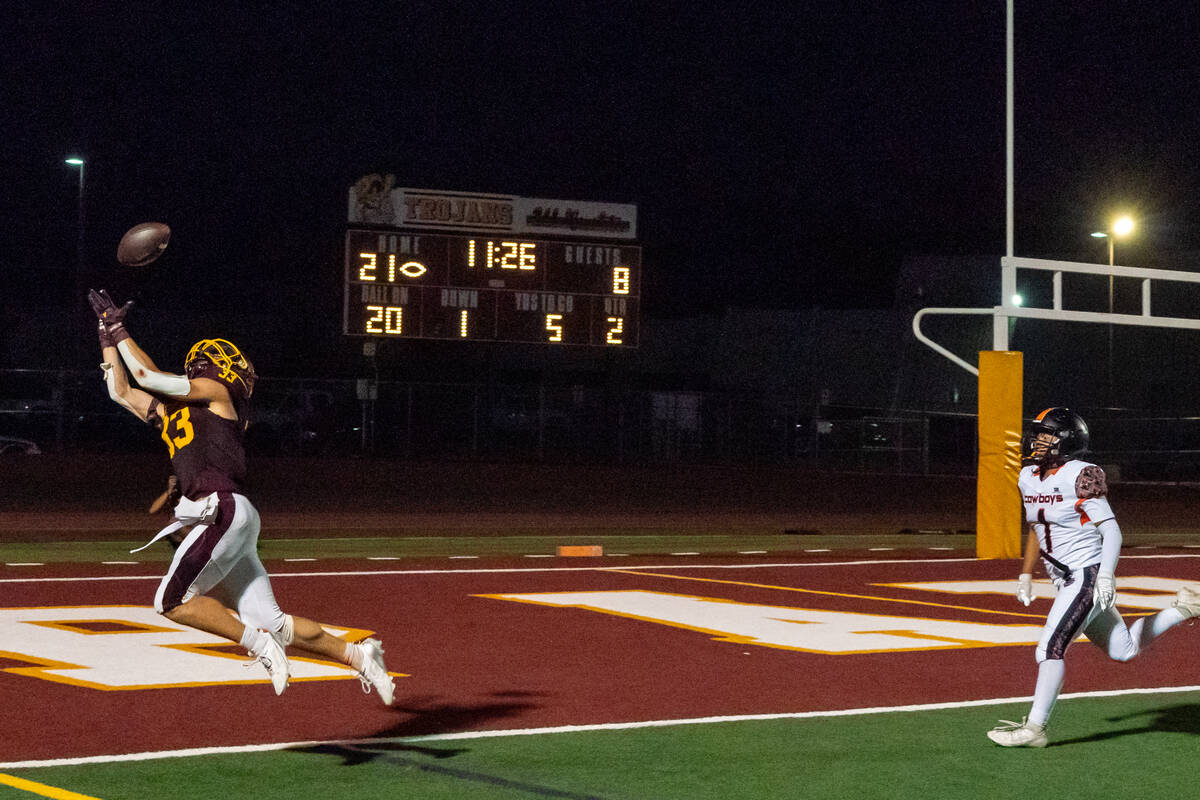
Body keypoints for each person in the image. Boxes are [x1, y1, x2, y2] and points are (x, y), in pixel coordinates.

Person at [88, 289, 395, 704]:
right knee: (273, 620)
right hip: (230, 515)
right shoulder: (179, 408)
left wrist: (120, 328)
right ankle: (360, 656)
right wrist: (107, 334)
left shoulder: (217, 393)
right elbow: (122, 391)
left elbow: (145, 377)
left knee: (172, 600)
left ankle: (258, 645)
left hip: (221, 510)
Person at [987, 407, 1199, 747]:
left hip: (1085, 574)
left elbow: (1112, 531)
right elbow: (1037, 526)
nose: (1036, 441)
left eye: (1045, 435)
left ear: (1064, 441)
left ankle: (1035, 729)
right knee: (1124, 650)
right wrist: (1026, 573)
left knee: (1050, 649)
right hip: (1065, 577)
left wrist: (1104, 577)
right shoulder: (1027, 475)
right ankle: (1186, 608)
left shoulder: (1080, 474)